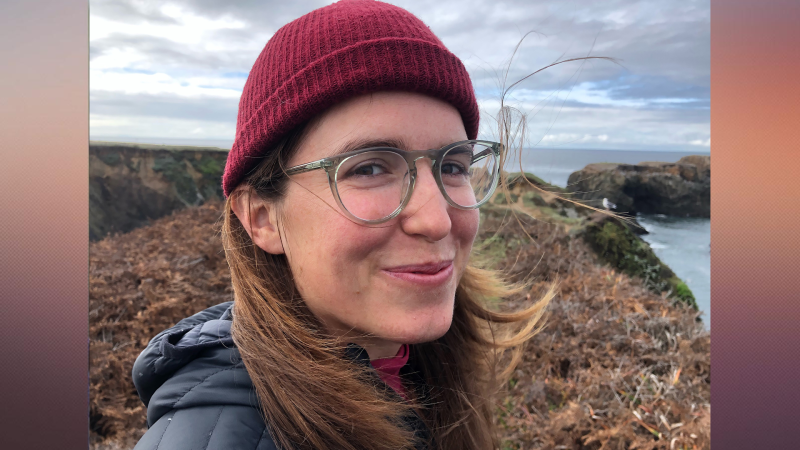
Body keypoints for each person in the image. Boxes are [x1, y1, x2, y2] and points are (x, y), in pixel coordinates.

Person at [131, 1, 554, 449]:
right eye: (369, 169)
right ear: (262, 219)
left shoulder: (418, 368)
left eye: (453, 165)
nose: (435, 219)